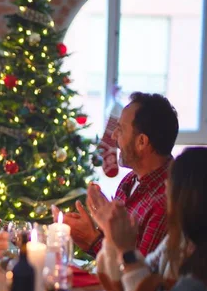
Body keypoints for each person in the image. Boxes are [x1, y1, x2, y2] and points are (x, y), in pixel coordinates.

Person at [88, 147, 207, 291]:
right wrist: (112, 236)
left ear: (190, 197)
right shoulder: (178, 242)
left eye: (172, 182)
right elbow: (126, 286)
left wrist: (127, 251)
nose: (166, 186)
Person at [52, 92, 178, 257]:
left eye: (121, 129)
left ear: (142, 142)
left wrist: (92, 239)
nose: (113, 135)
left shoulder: (166, 200)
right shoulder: (130, 180)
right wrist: (92, 229)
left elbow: (140, 275)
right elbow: (116, 248)